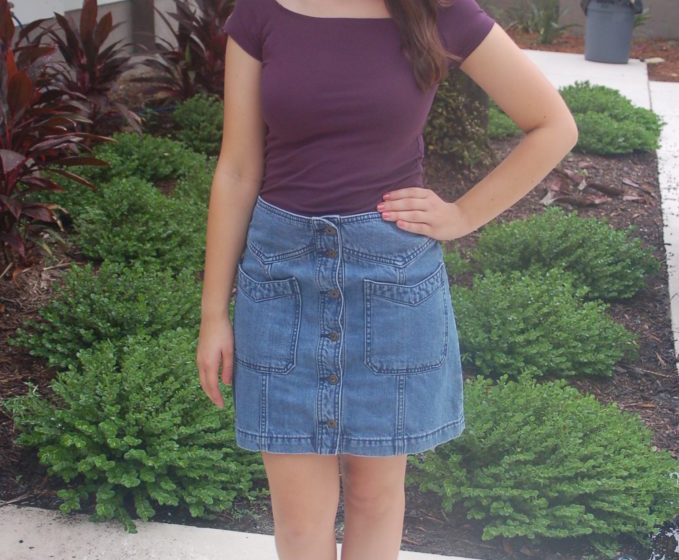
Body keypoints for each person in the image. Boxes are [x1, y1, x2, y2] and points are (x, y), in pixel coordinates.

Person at [196, 0, 578, 558]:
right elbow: (236, 168)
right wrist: (213, 314)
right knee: (299, 519)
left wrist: (463, 215)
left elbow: (553, 125)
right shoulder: (262, 11)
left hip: (391, 285)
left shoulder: (437, 10)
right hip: (280, 282)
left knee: (374, 498)